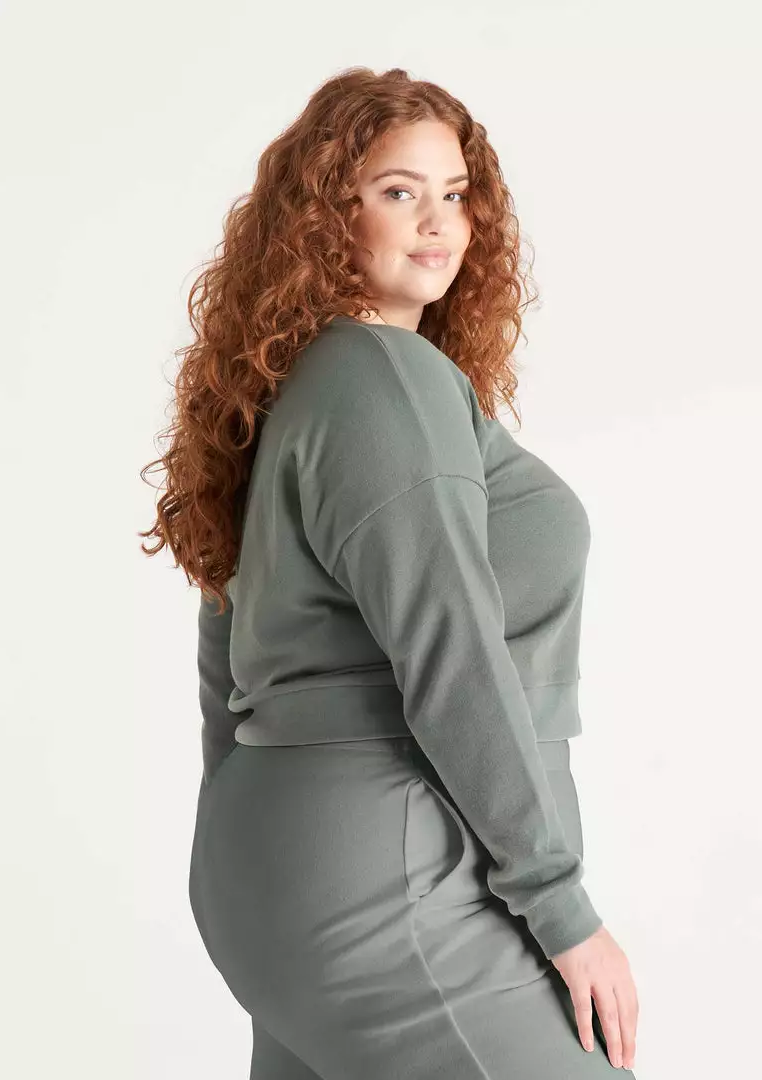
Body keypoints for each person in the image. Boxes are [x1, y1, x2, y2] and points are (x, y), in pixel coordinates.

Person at [140, 66, 639, 1077]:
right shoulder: (384, 377)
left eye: (455, 193)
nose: (438, 222)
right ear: (327, 215)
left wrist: (235, 842)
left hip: (277, 871)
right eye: (397, 191)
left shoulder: (289, 394)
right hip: (393, 868)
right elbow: (450, 650)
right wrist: (562, 908)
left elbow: (224, 657)